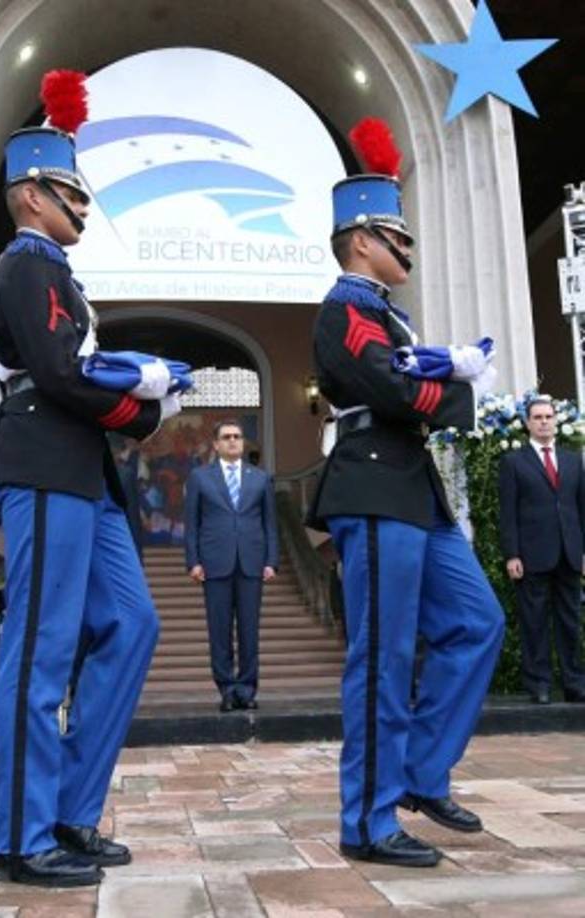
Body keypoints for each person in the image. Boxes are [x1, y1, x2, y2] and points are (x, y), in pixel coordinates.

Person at [0, 70, 181, 888]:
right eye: (70, 193)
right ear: (31, 195)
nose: (84, 207)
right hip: (44, 457)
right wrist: (140, 407)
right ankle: (20, 838)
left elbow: (74, 364)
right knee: (42, 645)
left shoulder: (55, 268)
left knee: (131, 624)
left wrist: (139, 395)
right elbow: (60, 371)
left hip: (82, 468)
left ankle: (66, 809)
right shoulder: (29, 264)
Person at [307, 118, 504, 868]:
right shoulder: (346, 308)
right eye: (396, 237)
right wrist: (459, 389)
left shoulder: (388, 313)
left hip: (413, 488)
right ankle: (366, 820)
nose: (407, 249)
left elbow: (404, 378)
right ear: (361, 241)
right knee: (383, 657)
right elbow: (389, 387)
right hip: (372, 484)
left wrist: (442, 372)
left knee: (478, 622)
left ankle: (420, 770)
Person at [184, 419, 279, 711]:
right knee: (219, 631)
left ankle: (247, 690)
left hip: (251, 562)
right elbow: (192, 524)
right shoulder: (200, 477)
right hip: (214, 563)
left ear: (243, 442)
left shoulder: (261, 478)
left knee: (249, 630)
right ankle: (226, 689)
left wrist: (272, 561)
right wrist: (193, 561)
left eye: (237, 436)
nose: (233, 441)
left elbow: (270, 524)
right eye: (226, 437)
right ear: (216, 444)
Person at [499, 396, 585, 704]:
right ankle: (539, 685)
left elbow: (581, 508)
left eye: (548, 416)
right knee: (534, 622)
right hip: (531, 555)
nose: (544, 421)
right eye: (537, 417)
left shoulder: (573, 460)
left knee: (570, 621)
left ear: (556, 420)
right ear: (527, 423)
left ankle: (574, 682)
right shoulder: (513, 462)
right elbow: (507, 512)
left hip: (569, 553)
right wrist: (512, 554)